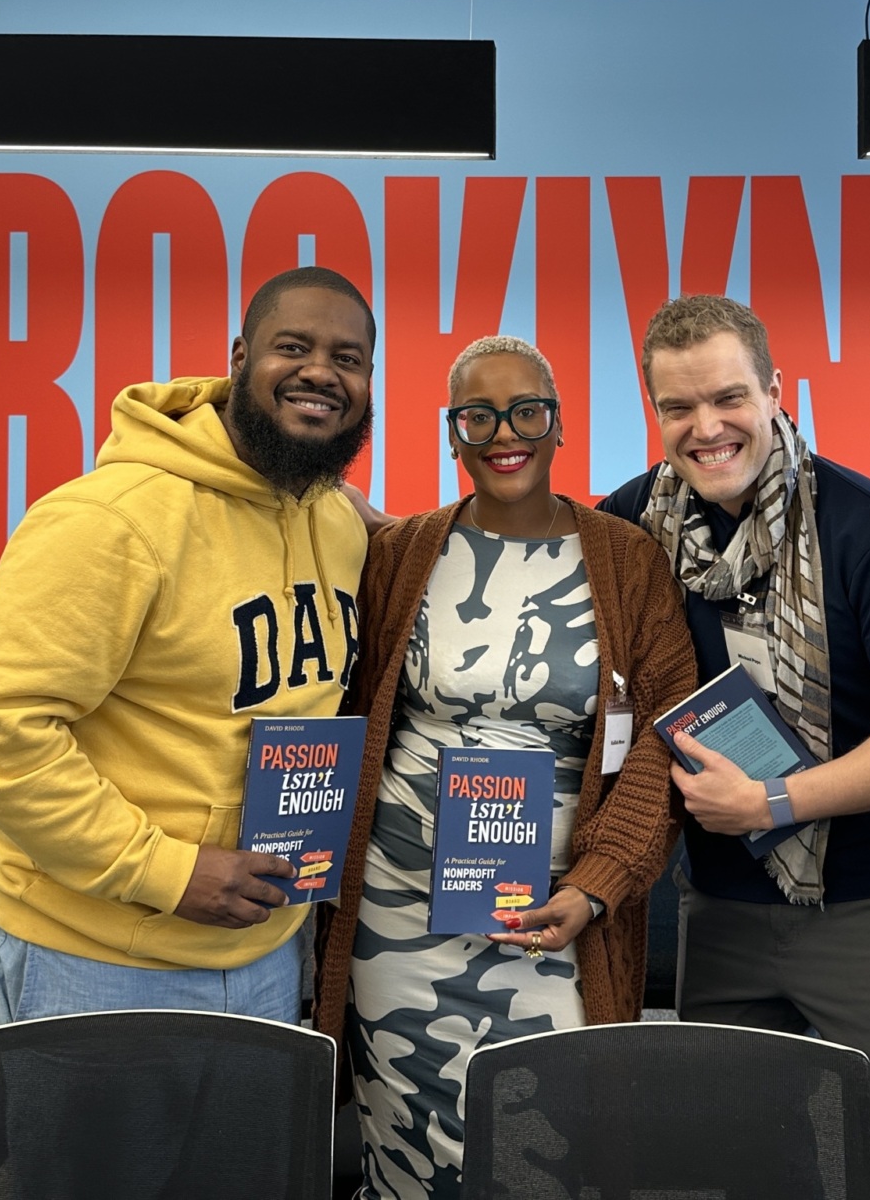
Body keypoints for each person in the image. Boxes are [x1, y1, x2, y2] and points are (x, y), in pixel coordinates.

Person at [598, 296, 870, 1200]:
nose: (707, 427)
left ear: (775, 391)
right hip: (717, 910)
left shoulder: (869, 531)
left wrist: (777, 802)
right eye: (678, 408)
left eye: (729, 397)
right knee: (730, 1160)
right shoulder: (627, 529)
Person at [314, 335, 698, 1200]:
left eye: (527, 409)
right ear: (452, 435)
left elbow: (666, 734)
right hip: (396, 921)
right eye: (477, 416)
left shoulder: (625, 558)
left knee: (551, 1155)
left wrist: (596, 885)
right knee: (406, 1157)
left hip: (555, 923)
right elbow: (353, 710)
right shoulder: (401, 552)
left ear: (558, 424)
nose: (504, 433)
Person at [0, 265, 376, 1023]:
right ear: (240, 359)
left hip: (267, 945)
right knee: (94, 1151)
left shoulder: (336, 523)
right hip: (98, 956)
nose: (320, 373)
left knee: (242, 1150)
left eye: (348, 358)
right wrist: (168, 872)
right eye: (293, 347)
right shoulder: (111, 519)